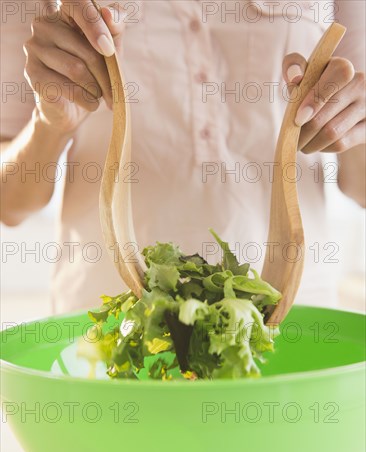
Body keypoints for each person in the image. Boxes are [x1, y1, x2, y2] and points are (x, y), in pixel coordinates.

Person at [1, 0, 365, 314]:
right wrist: (50, 122)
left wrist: (353, 120)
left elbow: (359, 183)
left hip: (294, 318)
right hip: (108, 321)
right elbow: (9, 203)